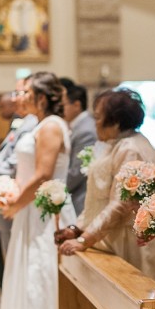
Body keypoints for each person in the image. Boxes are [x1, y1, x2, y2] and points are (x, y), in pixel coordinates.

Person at [57, 88, 155, 309]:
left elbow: (121, 204)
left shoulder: (131, 148)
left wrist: (86, 239)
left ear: (116, 122)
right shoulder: (117, 145)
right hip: (111, 237)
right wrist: (77, 228)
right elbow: (96, 200)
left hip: (128, 240)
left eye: (100, 118)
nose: (95, 125)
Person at [0, 72, 75, 309]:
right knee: (25, 278)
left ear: (41, 97)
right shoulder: (39, 125)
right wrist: (5, 189)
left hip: (45, 211)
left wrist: (16, 202)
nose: (19, 97)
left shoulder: (52, 126)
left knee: (40, 278)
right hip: (32, 210)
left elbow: (43, 174)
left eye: (25, 92)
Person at [0, 77, 37, 262]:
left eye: (19, 93)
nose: (14, 99)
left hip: (20, 196)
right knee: (8, 257)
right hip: (10, 194)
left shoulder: (34, 123)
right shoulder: (20, 120)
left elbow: (14, 161)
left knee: (16, 257)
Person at [62, 82, 97, 216]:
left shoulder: (85, 130)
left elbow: (77, 172)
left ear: (76, 105)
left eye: (64, 104)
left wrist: (55, 191)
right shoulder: (77, 126)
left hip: (79, 197)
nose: (61, 108)